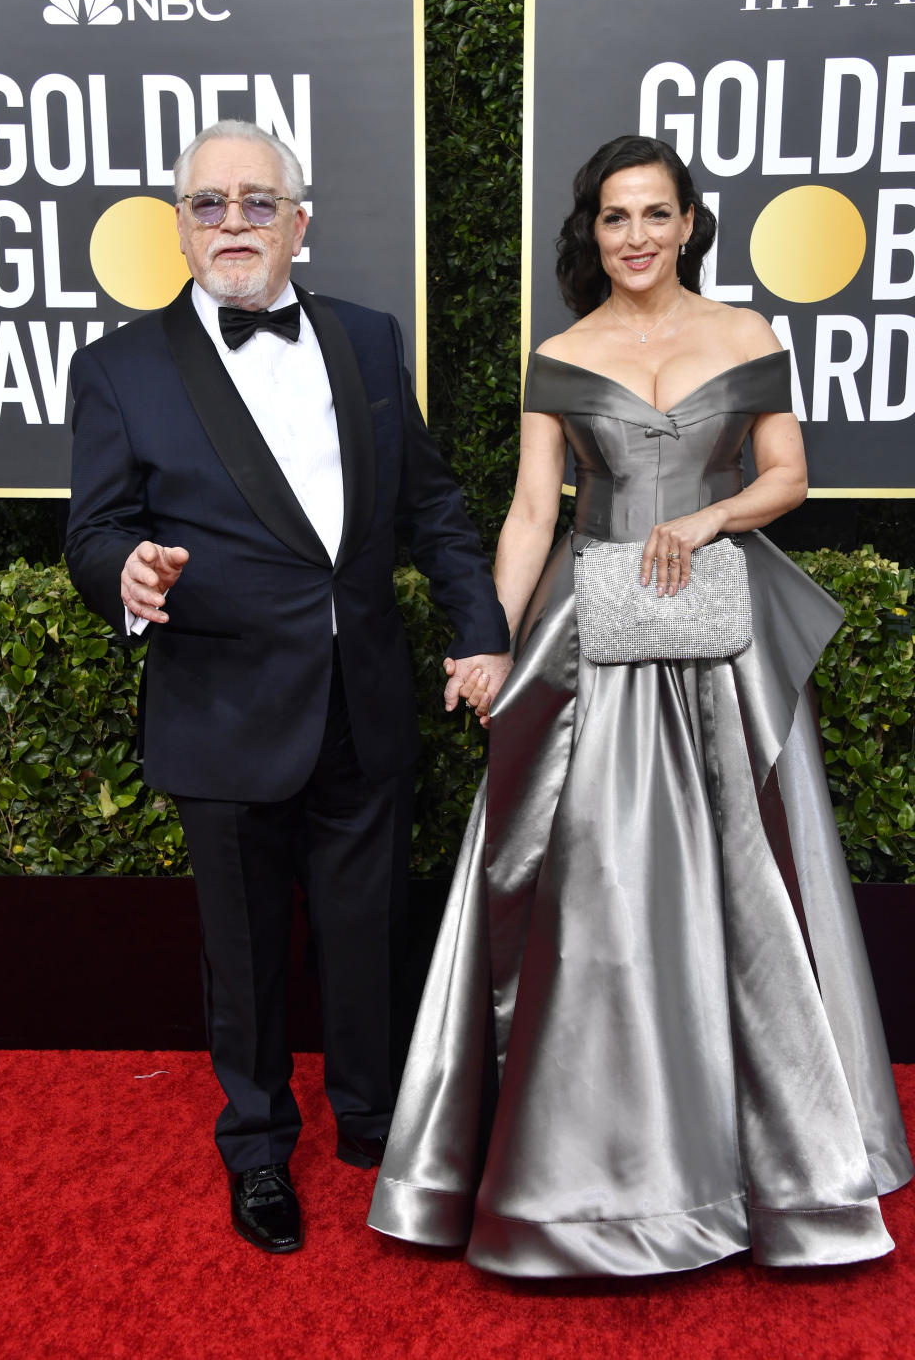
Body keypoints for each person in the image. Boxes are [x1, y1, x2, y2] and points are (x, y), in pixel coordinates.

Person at [369, 134, 913, 1276]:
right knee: (598, 882)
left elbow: (787, 475)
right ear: (594, 230)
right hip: (594, 629)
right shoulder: (562, 353)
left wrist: (709, 518)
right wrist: (490, 641)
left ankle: (776, 1158)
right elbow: (529, 513)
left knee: (748, 878)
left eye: (655, 214)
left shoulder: (747, 334)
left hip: (719, 626)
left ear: (689, 222)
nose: (636, 237)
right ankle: (598, 1158)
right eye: (615, 218)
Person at [64, 119, 512, 1255]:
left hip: (363, 699)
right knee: (247, 953)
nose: (232, 224)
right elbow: (96, 529)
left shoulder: (366, 340)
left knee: (369, 932)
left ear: (299, 223)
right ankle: (259, 1146)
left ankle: (373, 1123)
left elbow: (432, 507)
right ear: (178, 227)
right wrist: (125, 569)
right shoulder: (118, 367)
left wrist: (480, 627)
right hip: (221, 709)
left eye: (257, 202)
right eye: (208, 204)